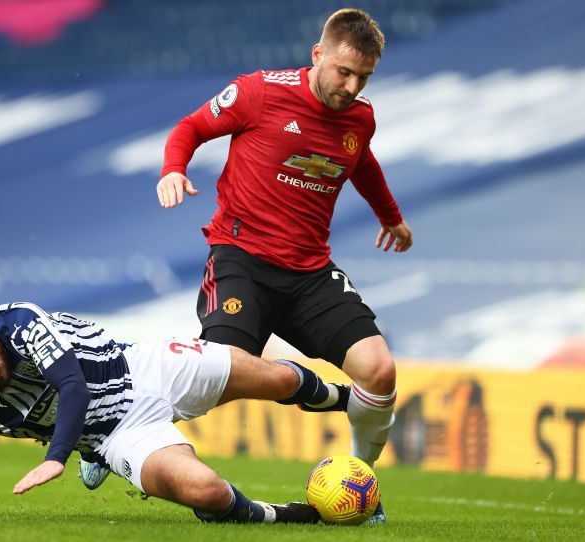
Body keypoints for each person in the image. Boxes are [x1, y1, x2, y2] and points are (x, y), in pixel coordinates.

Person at [156, 8, 412, 524]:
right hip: (241, 260)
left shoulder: (360, 117)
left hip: (309, 271)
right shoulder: (260, 92)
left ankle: (359, 483)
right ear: (318, 54)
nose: (352, 85)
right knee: (219, 375)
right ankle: (116, 428)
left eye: (364, 76)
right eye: (344, 71)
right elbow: (192, 125)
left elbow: (362, 162)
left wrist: (392, 218)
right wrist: (173, 170)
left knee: (380, 372)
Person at [0, 301, 353, 524]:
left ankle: (353, 399)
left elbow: (72, 385)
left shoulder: (16, 321)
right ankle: (292, 516)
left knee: (277, 380)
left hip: (142, 366)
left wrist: (56, 455)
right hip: (116, 435)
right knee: (208, 493)